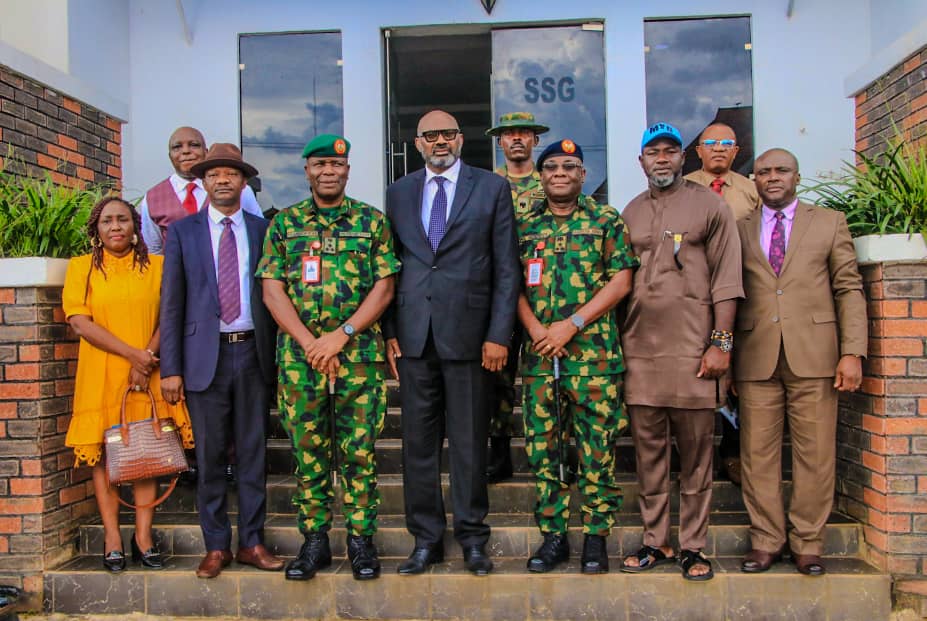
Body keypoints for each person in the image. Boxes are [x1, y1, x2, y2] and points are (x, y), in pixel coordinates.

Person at [384, 109, 520, 577]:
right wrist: (389, 334)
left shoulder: (491, 187)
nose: (439, 142)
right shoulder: (398, 192)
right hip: (415, 339)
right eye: (430, 136)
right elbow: (392, 266)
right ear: (418, 144)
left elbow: (507, 269)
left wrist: (498, 334)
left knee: (468, 444)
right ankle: (425, 540)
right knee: (417, 447)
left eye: (447, 134)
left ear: (460, 139)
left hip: (470, 340)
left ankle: (472, 538)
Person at [258, 134, 400, 581]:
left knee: (359, 452)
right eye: (320, 164)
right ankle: (315, 541)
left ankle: (361, 541)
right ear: (307, 171)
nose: (328, 171)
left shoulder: (371, 221)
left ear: (347, 171)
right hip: (301, 361)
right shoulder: (285, 224)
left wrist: (340, 336)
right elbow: (272, 288)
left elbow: (385, 287)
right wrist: (308, 342)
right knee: (309, 452)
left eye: (336, 165)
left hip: (357, 357)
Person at [620, 122, 743, 581]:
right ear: (641, 162)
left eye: (671, 151)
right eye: (653, 153)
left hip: (695, 354)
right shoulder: (629, 212)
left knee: (695, 459)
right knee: (649, 459)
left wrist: (721, 343)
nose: (663, 159)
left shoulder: (710, 207)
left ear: (684, 157)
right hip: (640, 354)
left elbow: (729, 280)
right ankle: (656, 542)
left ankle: (693, 546)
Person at [735, 148, 866, 576]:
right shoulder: (738, 229)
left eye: (781, 170)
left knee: (815, 455)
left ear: (797, 176)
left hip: (816, 356)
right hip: (756, 358)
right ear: (753, 179)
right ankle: (766, 542)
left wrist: (852, 352)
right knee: (757, 456)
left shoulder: (828, 222)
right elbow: (729, 296)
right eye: (764, 172)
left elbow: (848, 288)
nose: (772, 177)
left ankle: (808, 542)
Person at [159, 143, 283, 579]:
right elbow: (171, 304)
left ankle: (251, 541)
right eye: (213, 174)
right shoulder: (183, 232)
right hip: (201, 359)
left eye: (231, 173)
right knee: (210, 459)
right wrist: (170, 367)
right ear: (204, 182)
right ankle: (216, 546)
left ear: (243, 181)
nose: (222, 180)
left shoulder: (263, 229)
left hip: (253, 352)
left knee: (252, 453)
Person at [516, 139, 638, 574]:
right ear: (541, 176)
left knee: (596, 451)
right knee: (544, 450)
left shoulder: (605, 219)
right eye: (551, 167)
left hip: (594, 361)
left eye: (570, 166)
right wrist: (535, 330)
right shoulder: (524, 225)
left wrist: (573, 325)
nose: (560, 173)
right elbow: (511, 285)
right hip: (539, 361)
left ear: (583, 175)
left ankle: (595, 537)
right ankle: (553, 537)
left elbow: (621, 280)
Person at [62, 196, 194, 572]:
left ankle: (143, 536)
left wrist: (146, 356)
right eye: (107, 221)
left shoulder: (158, 266)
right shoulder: (81, 268)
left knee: (144, 457)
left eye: (123, 220)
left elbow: (170, 315)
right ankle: (112, 537)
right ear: (96, 229)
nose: (115, 226)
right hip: (101, 373)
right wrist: (132, 355)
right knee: (105, 458)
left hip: (147, 374)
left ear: (136, 227)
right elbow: (79, 321)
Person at [684, 122, 761, 486]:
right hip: (694, 303)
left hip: (741, 299)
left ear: (736, 151)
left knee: (736, 380)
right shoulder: (683, 190)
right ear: (697, 150)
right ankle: (690, 458)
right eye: (709, 142)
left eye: (725, 143)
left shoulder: (752, 192)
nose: (718, 148)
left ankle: (732, 452)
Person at [484, 111, 550, 483]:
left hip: (548, 292)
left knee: (549, 376)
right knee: (500, 379)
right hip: (502, 294)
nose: (518, 139)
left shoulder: (552, 180)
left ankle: (558, 448)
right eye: (510, 134)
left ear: (534, 141)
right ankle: (499, 451)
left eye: (525, 133)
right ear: (500, 142)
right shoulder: (488, 185)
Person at [139, 126, 262, 255]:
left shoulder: (240, 190)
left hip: (228, 271)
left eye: (194, 145)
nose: (186, 151)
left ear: (206, 152)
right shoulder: (152, 197)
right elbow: (153, 249)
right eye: (177, 147)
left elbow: (259, 235)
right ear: (170, 156)